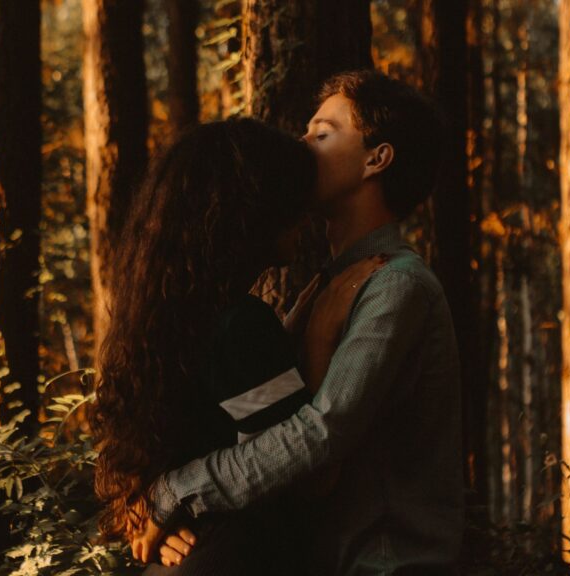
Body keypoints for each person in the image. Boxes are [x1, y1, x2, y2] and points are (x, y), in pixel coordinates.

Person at [134, 70, 464, 575]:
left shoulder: (397, 286)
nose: (302, 143)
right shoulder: (326, 283)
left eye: (323, 133)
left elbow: (319, 432)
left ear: (376, 159)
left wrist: (177, 491)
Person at [92, 118, 384, 575]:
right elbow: (310, 476)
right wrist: (324, 332)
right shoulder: (242, 325)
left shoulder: (173, 317)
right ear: (251, 212)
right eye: (290, 200)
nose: (305, 217)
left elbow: (233, 415)